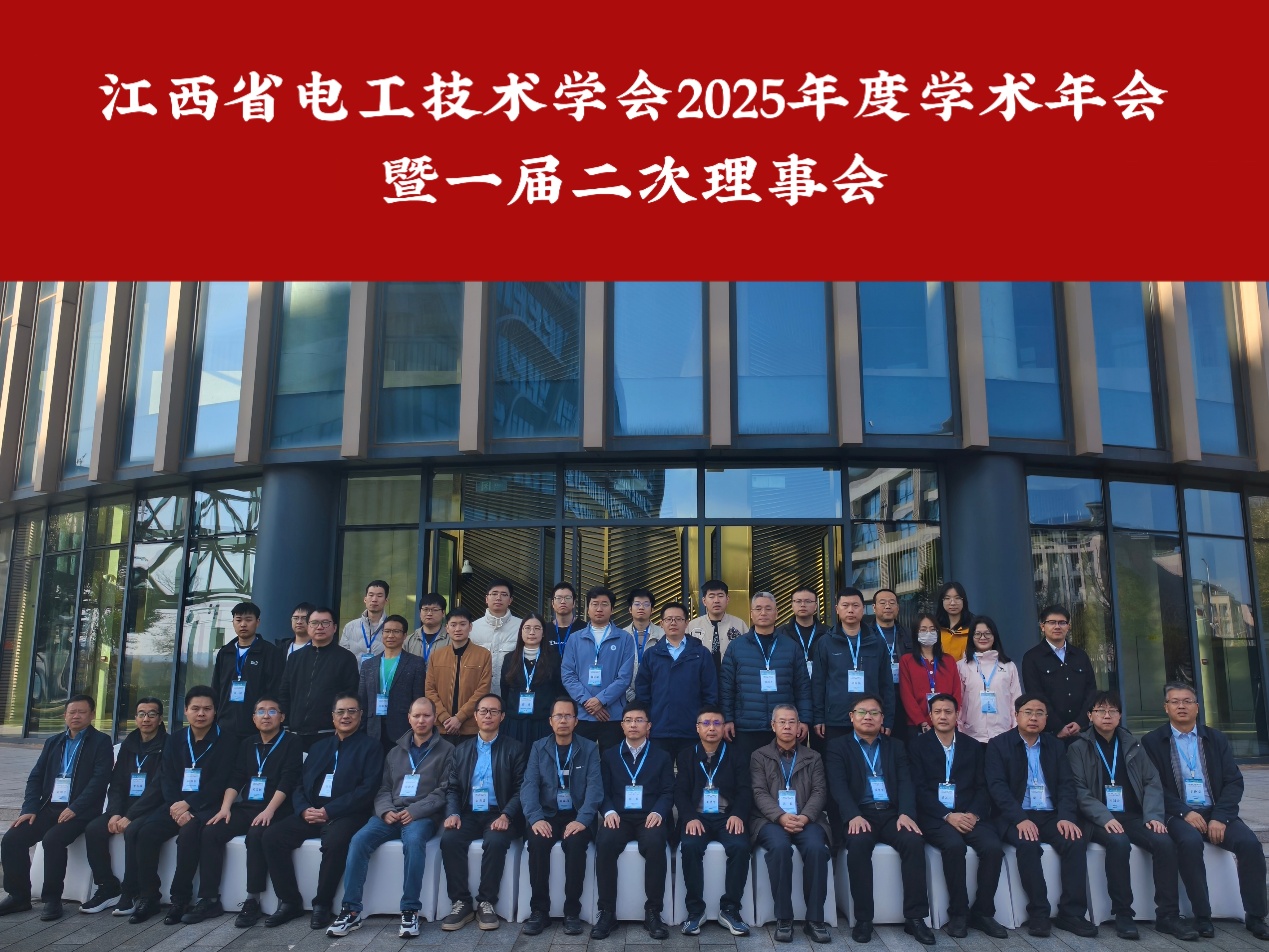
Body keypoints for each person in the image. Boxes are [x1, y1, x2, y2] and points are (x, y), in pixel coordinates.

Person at [1142, 681, 1269, 941]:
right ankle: (1202, 916)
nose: (1181, 706)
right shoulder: (1152, 741)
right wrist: (1184, 812)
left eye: (1187, 701)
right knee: (1189, 843)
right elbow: (1153, 786)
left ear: (1197, 707)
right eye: (1175, 701)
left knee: (1249, 844)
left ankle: (1256, 915)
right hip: (1178, 813)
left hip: (1216, 811)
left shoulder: (1215, 738)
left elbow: (1233, 781)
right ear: (1166, 708)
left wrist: (1221, 817)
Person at [1068, 691, 1199, 941]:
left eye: (1113, 711)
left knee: (1164, 842)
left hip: (1133, 815)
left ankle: (1168, 915)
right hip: (1099, 819)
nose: (1107, 715)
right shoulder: (1078, 747)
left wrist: (1153, 816)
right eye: (1100, 710)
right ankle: (1123, 913)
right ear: (1090, 716)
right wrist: (1104, 817)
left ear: (1120, 716)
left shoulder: (1133, 744)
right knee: (1118, 843)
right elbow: (1079, 790)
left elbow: (1152, 781)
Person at [325, 697, 452, 939]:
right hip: (390, 814)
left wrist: (415, 811)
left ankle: (410, 910)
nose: (421, 720)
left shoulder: (447, 750)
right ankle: (351, 910)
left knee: (413, 841)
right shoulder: (395, 751)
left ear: (434, 718)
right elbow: (383, 787)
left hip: (421, 816)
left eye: (426, 715)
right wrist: (385, 810)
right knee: (359, 840)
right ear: (409, 718)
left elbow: (444, 790)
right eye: (416, 716)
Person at [261, 693, 384, 929]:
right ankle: (289, 902)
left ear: (360, 715)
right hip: (311, 812)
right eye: (341, 712)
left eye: (352, 711)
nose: (346, 716)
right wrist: (303, 810)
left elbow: (367, 790)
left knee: (336, 841)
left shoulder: (371, 747)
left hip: (347, 814)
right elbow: (299, 785)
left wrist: (329, 810)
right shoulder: (319, 747)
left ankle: (322, 904)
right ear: (332, 717)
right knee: (272, 837)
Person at [826, 692, 935, 945]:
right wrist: (852, 815)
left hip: (892, 813)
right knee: (859, 844)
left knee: (913, 841)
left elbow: (906, 782)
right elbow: (838, 786)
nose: (868, 717)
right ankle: (864, 919)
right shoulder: (838, 747)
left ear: (882, 718)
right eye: (862, 712)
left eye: (874, 712)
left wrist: (906, 813)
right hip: (860, 813)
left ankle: (915, 917)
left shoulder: (895, 746)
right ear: (851, 717)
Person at [985, 694, 1097, 938]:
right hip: (1016, 816)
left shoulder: (1055, 745)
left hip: (1051, 814)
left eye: (1039, 713)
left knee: (1075, 840)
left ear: (1046, 718)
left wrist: (1066, 816)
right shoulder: (999, 745)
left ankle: (1071, 913)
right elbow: (997, 787)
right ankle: (1039, 913)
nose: (1033, 717)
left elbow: (1067, 785)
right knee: (1027, 844)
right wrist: (1019, 818)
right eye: (1028, 712)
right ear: (1016, 715)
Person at [0, 694, 113, 921]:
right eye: (72, 712)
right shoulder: (54, 742)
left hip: (81, 812)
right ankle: (19, 896)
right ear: (65, 715)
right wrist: (30, 808)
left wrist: (76, 807)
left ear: (92, 715)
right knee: (12, 839)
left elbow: (99, 780)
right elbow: (36, 777)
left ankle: (52, 899)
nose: (76, 716)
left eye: (82, 712)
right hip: (49, 807)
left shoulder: (101, 742)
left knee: (53, 840)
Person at [194, 693, 303, 926]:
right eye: (260, 711)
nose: (266, 716)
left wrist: (269, 810)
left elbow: (288, 780)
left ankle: (252, 899)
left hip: (278, 809)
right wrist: (225, 808)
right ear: (253, 718)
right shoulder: (247, 744)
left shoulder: (291, 742)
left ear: (282, 717)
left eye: (272, 711)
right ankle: (209, 898)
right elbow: (236, 777)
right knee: (211, 831)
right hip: (248, 807)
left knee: (256, 834)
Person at [131, 686, 234, 926]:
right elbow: (166, 776)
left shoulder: (227, 741)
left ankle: (180, 899)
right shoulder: (176, 739)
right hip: (175, 804)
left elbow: (221, 781)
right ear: (186, 711)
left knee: (188, 836)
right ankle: (149, 896)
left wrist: (189, 804)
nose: (201, 713)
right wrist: (176, 805)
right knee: (145, 833)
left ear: (215, 711)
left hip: (207, 806)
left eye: (207, 709)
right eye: (195, 708)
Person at [908, 694, 1008, 939]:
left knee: (993, 847)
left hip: (969, 813)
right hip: (935, 816)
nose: (943, 716)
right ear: (930, 716)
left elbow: (982, 786)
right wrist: (946, 815)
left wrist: (973, 814)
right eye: (937, 712)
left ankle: (983, 912)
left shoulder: (972, 746)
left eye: (948, 712)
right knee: (954, 846)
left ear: (957, 715)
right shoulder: (917, 746)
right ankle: (958, 913)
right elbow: (917, 788)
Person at [438, 694, 525, 931]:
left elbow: (521, 789)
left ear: (502, 717)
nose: (488, 716)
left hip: (500, 813)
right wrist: (453, 813)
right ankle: (461, 903)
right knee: (449, 839)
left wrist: (507, 815)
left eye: (494, 711)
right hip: (468, 813)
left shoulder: (515, 749)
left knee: (496, 841)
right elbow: (453, 788)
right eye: (483, 711)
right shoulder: (461, 750)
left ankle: (486, 902)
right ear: (475, 716)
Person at [520, 697, 604, 937]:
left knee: (576, 844)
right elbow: (529, 786)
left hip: (577, 815)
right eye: (559, 716)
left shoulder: (589, 748)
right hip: (546, 815)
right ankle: (539, 911)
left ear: (576, 721)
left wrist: (582, 820)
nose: (563, 720)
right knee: (537, 842)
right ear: (550, 721)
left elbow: (595, 789)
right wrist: (536, 818)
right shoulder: (539, 747)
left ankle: (572, 912)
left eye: (568, 716)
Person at [750, 703, 832, 944]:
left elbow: (819, 791)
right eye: (782, 721)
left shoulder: (813, 757)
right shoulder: (759, 756)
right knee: (779, 848)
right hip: (770, 820)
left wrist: (805, 817)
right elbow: (758, 792)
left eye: (792, 722)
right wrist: (780, 816)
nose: (787, 726)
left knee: (817, 849)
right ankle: (783, 918)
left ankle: (814, 919)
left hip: (808, 818)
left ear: (799, 727)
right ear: (773, 726)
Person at [592, 702, 674, 940]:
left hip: (649, 816)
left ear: (649, 726)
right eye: (628, 720)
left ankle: (653, 912)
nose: (633, 725)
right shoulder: (609, 755)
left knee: (656, 843)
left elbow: (668, 791)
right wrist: (608, 812)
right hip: (619, 816)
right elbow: (602, 791)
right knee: (605, 842)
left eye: (639, 720)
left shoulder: (661, 756)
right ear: (622, 725)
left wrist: (659, 812)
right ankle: (607, 912)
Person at [80, 697, 168, 918]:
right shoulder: (128, 745)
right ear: (135, 718)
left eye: (152, 714)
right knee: (94, 829)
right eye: (141, 714)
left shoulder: (167, 745)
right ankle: (107, 886)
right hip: (125, 807)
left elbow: (159, 787)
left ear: (160, 719)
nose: (146, 719)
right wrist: (115, 812)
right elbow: (117, 783)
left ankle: (130, 891)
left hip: (152, 808)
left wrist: (130, 815)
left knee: (133, 831)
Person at [676, 704, 752, 937]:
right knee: (690, 846)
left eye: (717, 723)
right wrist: (689, 817)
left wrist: (738, 814)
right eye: (706, 723)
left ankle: (730, 909)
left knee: (740, 846)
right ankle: (695, 911)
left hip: (727, 816)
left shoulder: (737, 754)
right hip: (697, 817)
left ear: (723, 727)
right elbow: (680, 792)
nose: (711, 728)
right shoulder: (686, 755)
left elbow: (745, 790)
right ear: (697, 728)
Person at [724, 595, 811, 761]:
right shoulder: (736, 647)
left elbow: (803, 687)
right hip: (746, 726)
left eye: (768, 609)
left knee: (782, 772)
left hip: (783, 726)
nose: (763, 613)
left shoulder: (791, 646)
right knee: (747, 772)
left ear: (776, 613)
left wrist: (804, 719)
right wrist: (727, 719)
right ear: (751, 613)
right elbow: (727, 687)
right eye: (758, 609)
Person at [635, 599, 718, 761]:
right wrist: (647, 723)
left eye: (678, 619)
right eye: (668, 619)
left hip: (691, 730)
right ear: (661, 624)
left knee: (691, 774)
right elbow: (642, 693)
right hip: (659, 730)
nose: (673, 623)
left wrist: (705, 724)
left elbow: (710, 692)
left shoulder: (701, 654)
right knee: (659, 773)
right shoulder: (651, 654)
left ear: (686, 623)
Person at [812, 588, 895, 740]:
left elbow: (886, 684)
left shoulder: (877, 642)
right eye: (845, 605)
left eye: (855, 605)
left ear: (863, 609)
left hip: (869, 718)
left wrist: (887, 718)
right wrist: (818, 717)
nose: (850, 610)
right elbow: (818, 683)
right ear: (837, 609)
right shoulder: (825, 642)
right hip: (836, 719)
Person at [560, 586, 634, 752]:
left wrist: (601, 701)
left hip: (612, 715)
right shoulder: (575, 639)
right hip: (582, 714)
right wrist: (588, 702)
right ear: (588, 609)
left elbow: (624, 678)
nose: (599, 609)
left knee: (612, 762)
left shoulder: (625, 639)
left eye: (604, 604)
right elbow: (568, 675)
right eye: (594, 604)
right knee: (580, 761)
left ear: (612, 609)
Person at [278, 606, 361, 751]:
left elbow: (350, 694)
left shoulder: (346, 658)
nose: (319, 627)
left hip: (329, 733)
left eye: (325, 623)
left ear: (334, 628)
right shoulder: (295, 658)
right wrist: (284, 724)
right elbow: (284, 692)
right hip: (294, 733)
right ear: (308, 627)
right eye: (314, 623)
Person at [1021, 604, 1099, 743]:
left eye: (1062, 622)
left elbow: (1091, 691)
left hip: (1081, 732)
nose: (1057, 626)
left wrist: (1081, 722)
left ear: (1068, 626)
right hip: (1050, 733)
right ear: (1042, 626)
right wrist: (1058, 727)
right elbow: (1035, 695)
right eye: (1052, 622)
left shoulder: (1080, 656)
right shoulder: (1032, 657)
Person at [210, 601, 284, 741]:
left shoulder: (270, 652)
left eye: (248, 620)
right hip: (225, 725)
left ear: (258, 622)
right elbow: (216, 688)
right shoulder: (225, 652)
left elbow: (275, 689)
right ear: (233, 622)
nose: (243, 624)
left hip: (257, 727)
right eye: (238, 620)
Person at [358, 613, 426, 755]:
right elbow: (362, 700)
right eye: (387, 631)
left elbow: (418, 698)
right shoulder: (368, 665)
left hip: (402, 728)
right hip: (373, 728)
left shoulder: (416, 663)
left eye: (396, 631)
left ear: (405, 635)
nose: (390, 635)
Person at [425, 606, 493, 744]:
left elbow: (482, 690)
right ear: (447, 628)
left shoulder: (483, 655)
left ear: (470, 627)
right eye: (453, 625)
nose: (458, 629)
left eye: (462, 624)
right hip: (442, 727)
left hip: (471, 727)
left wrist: (459, 718)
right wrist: (444, 718)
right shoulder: (436, 656)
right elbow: (430, 690)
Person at [500, 613, 563, 746]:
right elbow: (504, 690)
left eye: (537, 628)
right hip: (514, 722)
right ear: (521, 632)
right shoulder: (510, 659)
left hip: (543, 722)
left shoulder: (554, 658)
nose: (532, 632)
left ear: (543, 633)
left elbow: (559, 690)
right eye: (527, 628)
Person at [957, 616, 1023, 742]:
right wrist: (960, 732)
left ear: (994, 636)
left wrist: (1015, 730)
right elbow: (958, 702)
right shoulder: (962, 666)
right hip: (971, 736)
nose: (983, 637)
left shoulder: (1008, 666)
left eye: (987, 633)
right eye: (978, 634)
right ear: (971, 637)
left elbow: (1016, 701)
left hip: (1003, 735)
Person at [898, 613, 962, 733]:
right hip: (917, 725)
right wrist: (921, 721)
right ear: (915, 633)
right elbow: (907, 695)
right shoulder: (907, 661)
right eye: (923, 630)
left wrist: (951, 715)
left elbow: (957, 692)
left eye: (932, 629)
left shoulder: (949, 660)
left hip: (946, 722)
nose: (928, 633)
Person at [469, 578, 522, 691]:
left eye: (504, 594)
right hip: (480, 692)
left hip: (511, 692)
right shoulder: (472, 628)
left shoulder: (522, 627)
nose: (498, 598)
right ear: (486, 598)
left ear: (510, 600)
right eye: (494, 594)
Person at [686, 579, 748, 672]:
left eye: (720, 596)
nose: (716, 601)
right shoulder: (692, 625)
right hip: (700, 676)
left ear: (727, 599)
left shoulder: (739, 625)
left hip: (732, 676)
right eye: (711, 596)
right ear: (704, 601)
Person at [624, 587, 663, 702]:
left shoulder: (663, 635)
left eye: (646, 604)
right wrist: (630, 696)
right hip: (625, 698)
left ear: (652, 610)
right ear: (630, 609)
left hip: (656, 697)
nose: (641, 607)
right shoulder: (621, 636)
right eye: (637, 604)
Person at [779, 586, 825, 681]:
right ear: (792, 605)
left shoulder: (828, 633)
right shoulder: (781, 633)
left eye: (808, 601)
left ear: (816, 605)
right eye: (798, 601)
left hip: (820, 684)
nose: (803, 605)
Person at [869, 587, 911, 688]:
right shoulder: (865, 635)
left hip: (904, 688)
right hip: (876, 689)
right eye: (882, 603)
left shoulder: (909, 634)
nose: (888, 606)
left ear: (898, 607)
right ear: (874, 608)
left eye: (892, 603)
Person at [340, 579, 390, 662]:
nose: (374, 599)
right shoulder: (350, 627)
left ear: (386, 601)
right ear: (365, 599)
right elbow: (342, 657)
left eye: (379, 596)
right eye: (371, 595)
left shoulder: (392, 628)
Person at [404, 592, 449, 667]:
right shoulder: (408, 640)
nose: (429, 613)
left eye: (434, 610)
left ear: (443, 613)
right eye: (425, 609)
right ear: (420, 612)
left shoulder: (451, 639)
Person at [935, 581, 974, 661]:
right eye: (947, 598)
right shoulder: (934, 628)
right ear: (941, 601)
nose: (952, 603)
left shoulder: (974, 626)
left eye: (957, 598)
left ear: (964, 600)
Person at [548, 581, 587, 653]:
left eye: (567, 598)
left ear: (574, 603)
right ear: (552, 603)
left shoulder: (585, 629)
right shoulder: (545, 630)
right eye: (559, 598)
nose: (563, 601)